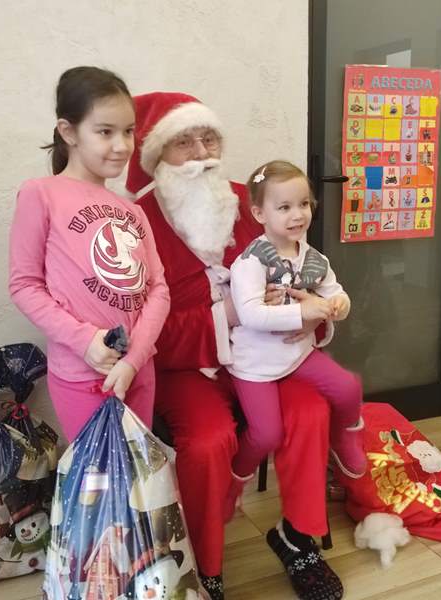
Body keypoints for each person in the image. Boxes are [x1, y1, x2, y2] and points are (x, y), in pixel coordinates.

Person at [127, 92, 343, 600]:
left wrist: (312, 314)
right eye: (184, 142)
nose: (202, 153)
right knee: (207, 441)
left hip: (265, 354)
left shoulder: (251, 201)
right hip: (187, 368)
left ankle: (296, 537)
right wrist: (226, 313)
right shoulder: (135, 222)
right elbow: (147, 332)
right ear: (156, 157)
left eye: (209, 139)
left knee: (310, 410)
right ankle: (205, 564)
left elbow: (305, 267)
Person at [9, 67, 170, 441]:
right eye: (105, 132)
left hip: (138, 371)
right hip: (82, 375)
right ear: (69, 132)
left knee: (139, 473)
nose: (122, 145)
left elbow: (158, 289)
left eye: (128, 131)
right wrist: (85, 341)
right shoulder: (40, 194)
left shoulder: (133, 211)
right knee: (97, 476)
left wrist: (134, 359)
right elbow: (24, 285)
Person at [227, 160, 365, 508]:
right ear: (259, 213)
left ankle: (342, 438)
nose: (298, 214)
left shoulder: (315, 259)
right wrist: (304, 312)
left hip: (298, 354)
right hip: (256, 365)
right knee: (266, 435)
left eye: (304, 204)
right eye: (284, 207)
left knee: (349, 387)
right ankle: (233, 482)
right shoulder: (250, 261)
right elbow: (250, 315)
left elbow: (337, 293)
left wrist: (338, 306)